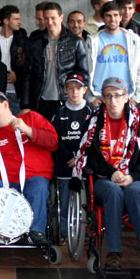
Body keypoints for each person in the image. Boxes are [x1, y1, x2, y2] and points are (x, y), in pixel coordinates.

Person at [73, 77, 140, 275]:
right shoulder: (94, 122)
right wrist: (112, 172)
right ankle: (114, 252)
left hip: (134, 178)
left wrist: (132, 175)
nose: (113, 101)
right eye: (108, 96)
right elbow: (89, 156)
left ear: (127, 97)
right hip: (105, 178)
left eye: (118, 96)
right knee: (113, 192)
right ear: (102, 98)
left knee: (135, 192)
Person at [0, 89, 58, 245]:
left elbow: (53, 142)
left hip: (32, 177)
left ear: (5, 104)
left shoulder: (31, 118)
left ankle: (36, 232)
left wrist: (28, 130)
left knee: (39, 188)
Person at [22, 2, 89, 119]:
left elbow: (83, 73)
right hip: (40, 101)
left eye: (53, 18)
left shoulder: (76, 42)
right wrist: (25, 105)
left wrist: (77, 96)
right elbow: (27, 75)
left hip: (66, 100)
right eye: (46, 18)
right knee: (41, 136)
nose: (49, 22)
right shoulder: (35, 42)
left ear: (61, 17)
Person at [50, 72, 93, 241]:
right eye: (70, 88)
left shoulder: (91, 112)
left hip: (85, 163)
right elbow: (54, 138)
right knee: (65, 199)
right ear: (65, 90)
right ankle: (63, 232)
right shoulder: (59, 112)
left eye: (78, 88)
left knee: (87, 198)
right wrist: (69, 155)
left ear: (85, 90)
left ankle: (86, 230)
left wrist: (81, 157)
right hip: (65, 163)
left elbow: (94, 138)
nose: (74, 92)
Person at [88, 1, 140, 104]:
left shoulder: (133, 40)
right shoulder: (92, 42)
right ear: (103, 18)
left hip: (126, 98)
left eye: (116, 15)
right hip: (100, 97)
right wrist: (90, 98)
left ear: (121, 17)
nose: (112, 19)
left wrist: (137, 97)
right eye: (108, 16)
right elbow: (86, 71)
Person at [0, 5, 27, 112]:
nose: (19, 22)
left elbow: (27, 67)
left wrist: (17, 76)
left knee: (14, 126)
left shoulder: (22, 39)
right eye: (16, 19)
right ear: (6, 21)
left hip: (15, 92)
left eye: (19, 18)